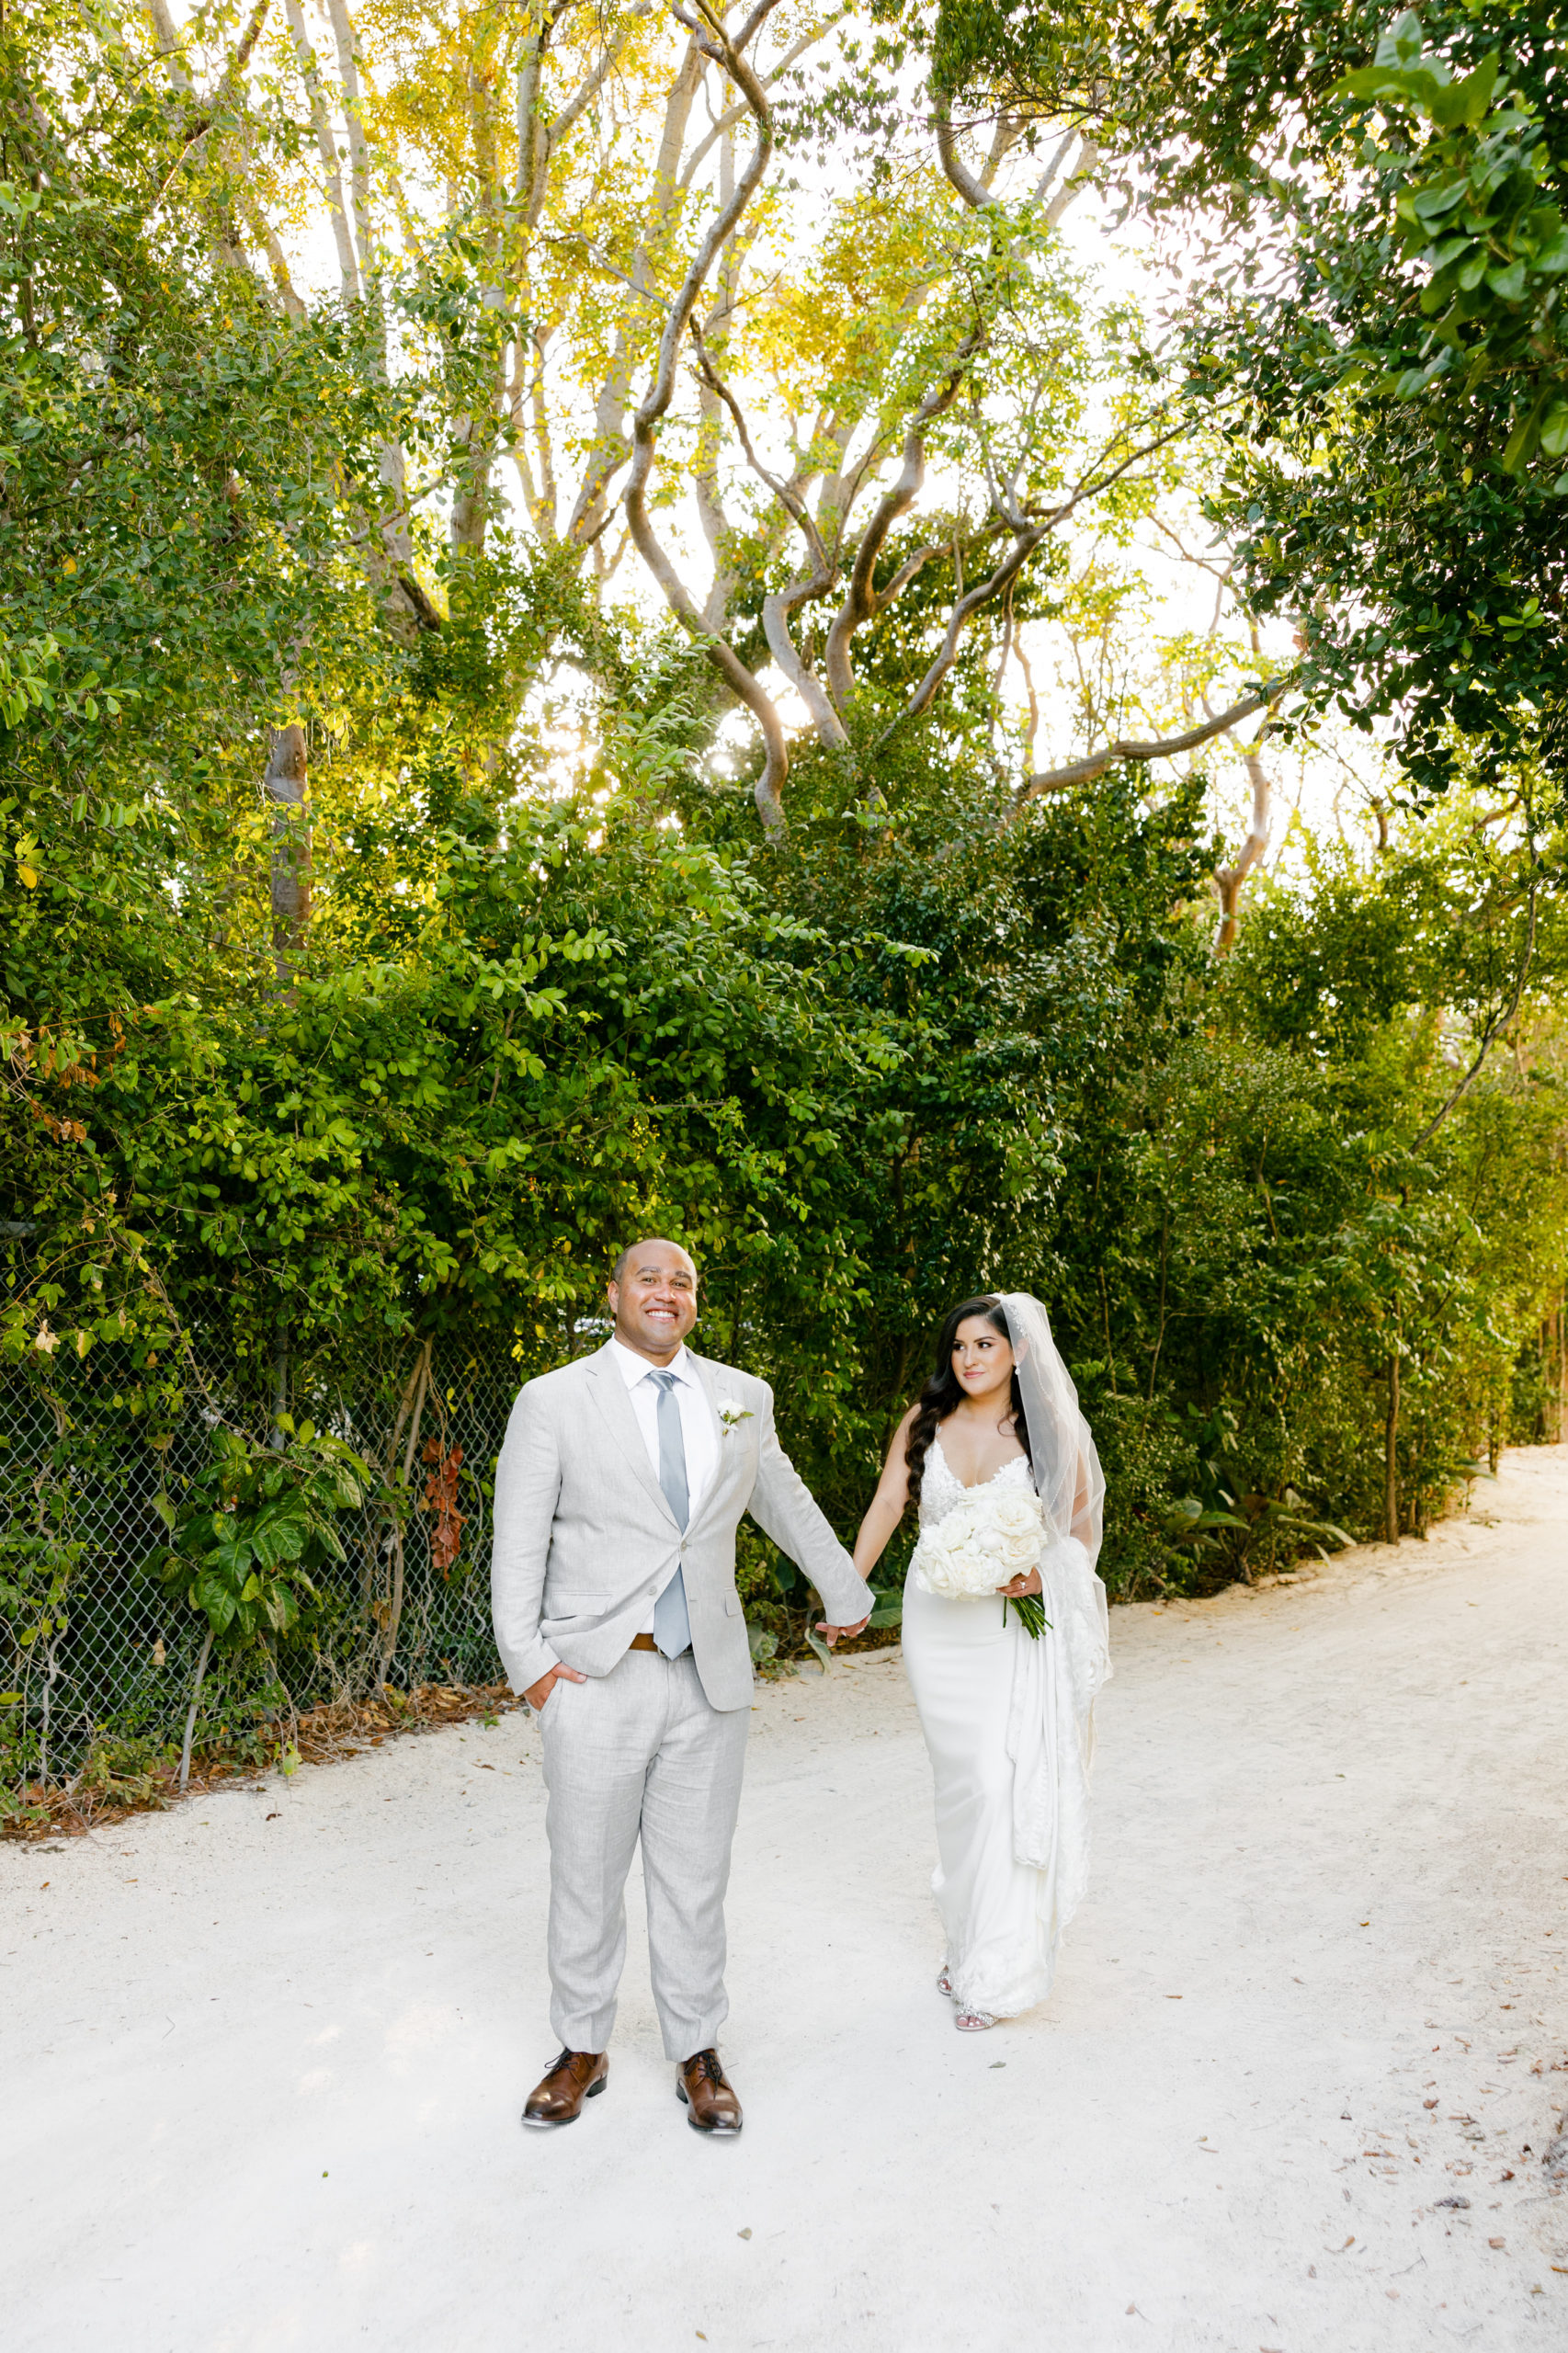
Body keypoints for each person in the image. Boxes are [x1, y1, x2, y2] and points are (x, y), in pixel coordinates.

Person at [490, 1237, 872, 2132]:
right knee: (585, 1872)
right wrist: (532, 1669)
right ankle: (581, 2047)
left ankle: (696, 2050)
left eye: (684, 1281)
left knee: (694, 1877)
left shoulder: (741, 1398)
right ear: (614, 1293)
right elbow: (518, 1541)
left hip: (707, 1676)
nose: (667, 1291)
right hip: (594, 1674)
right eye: (649, 1277)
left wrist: (846, 1586)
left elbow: (780, 1497)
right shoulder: (552, 1401)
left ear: (695, 1301)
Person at [852, 1292, 1111, 2030]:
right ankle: (965, 1940)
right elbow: (887, 1508)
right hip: (936, 1628)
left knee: (1002, 1782)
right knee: (962, 1792)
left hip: (1009, 1626)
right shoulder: (923, 1420)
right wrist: (846, 1590)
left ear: (1018, 1353)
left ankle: (994, 1972)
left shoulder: (1047, 1429)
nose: (970, 1359)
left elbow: (1082, 1518)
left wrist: (1044, 1569)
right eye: (960, 1347)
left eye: (985, 1346)